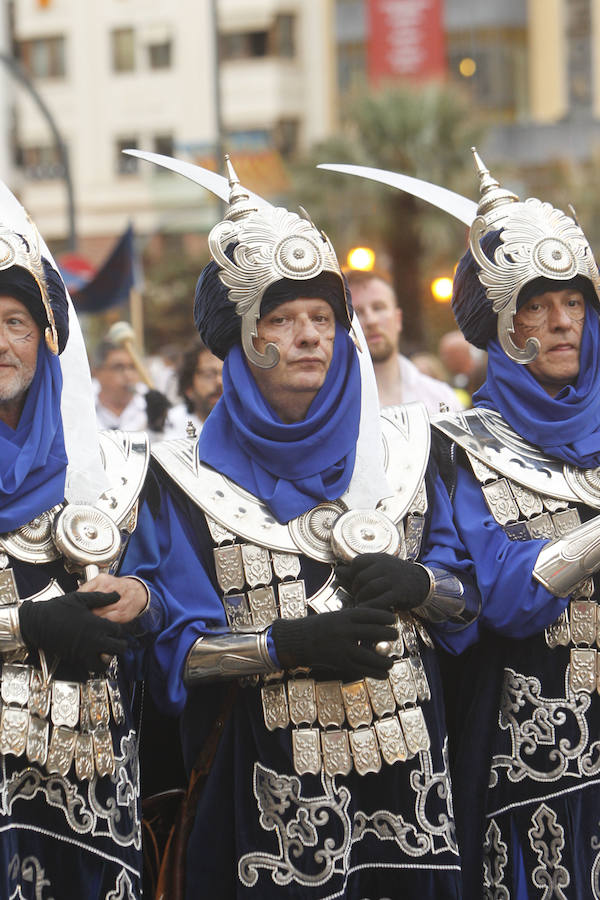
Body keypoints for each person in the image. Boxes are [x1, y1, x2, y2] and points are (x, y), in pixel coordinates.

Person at [124, 158, 479, 899]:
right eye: (281, 320)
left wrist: (422, 583)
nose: (309, 337)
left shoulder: (413, 450)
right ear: (241, 340)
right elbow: (175, 652)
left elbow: (468, 599)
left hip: (411, 781)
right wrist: (283, 645)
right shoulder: (181, 481)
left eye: (323, 318)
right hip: (261, 797)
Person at [432, 152, 600, 898]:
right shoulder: (459, 447)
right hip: (534, 756)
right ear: (500, 325)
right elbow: (502, 596)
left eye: (573, 301)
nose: (561, 322)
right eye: (536, 305)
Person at [0, 198, 151, 897]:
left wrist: (141, 597)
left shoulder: (113, 468)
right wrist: (26, 625)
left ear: (46, 337)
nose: (1, 344)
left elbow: (175, 591)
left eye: (15, 323)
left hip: (92, 778)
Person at [345, 267, 462, 413]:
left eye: (378, 307)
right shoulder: (336, 405)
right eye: (357, 313)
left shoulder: (441, 397)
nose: (371, 320)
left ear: (398, 319)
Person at [164, 338, 223, 438]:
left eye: (226, 373)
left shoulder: (249, 428)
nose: (219, 382)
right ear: (188, 387)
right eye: (208, 374)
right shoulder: (170, 428)